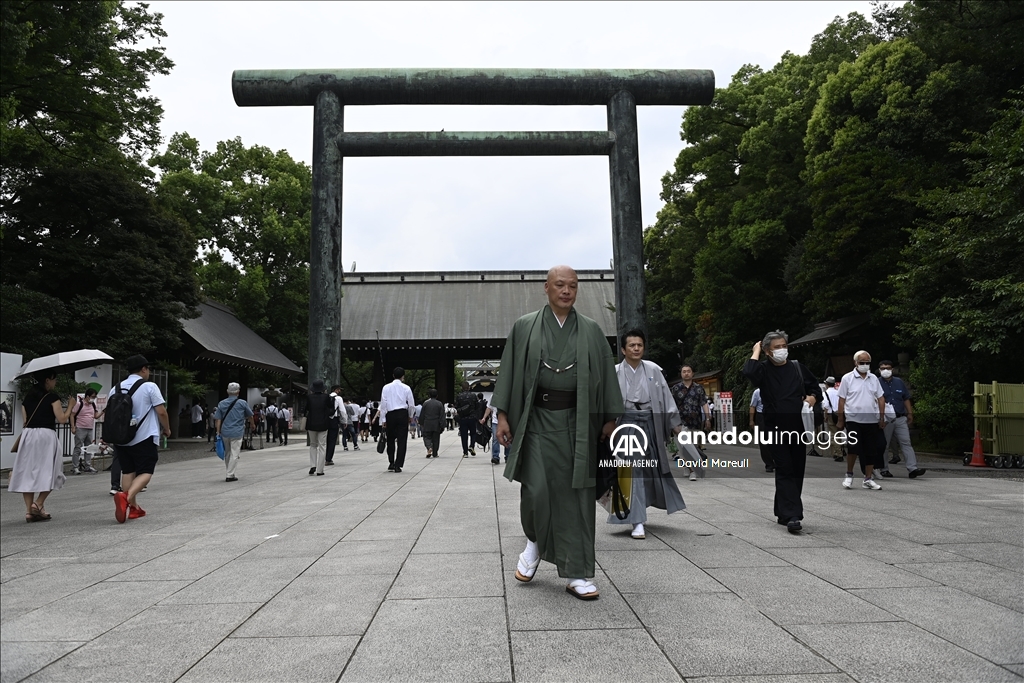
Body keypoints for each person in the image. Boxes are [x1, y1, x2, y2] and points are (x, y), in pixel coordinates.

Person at [493, 265, 623, 601]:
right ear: (546, 288)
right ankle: (534, 542)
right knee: (536, 491)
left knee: (577, 496)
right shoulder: (525, 326)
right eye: (560, 285)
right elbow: (508, 371)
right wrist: (503, 416)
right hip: (536, 420)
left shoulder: (592, 331)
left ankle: (577, 572)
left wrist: (610, 418)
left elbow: (607, 375)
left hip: (577, 423)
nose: (567, 291)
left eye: (573, 286)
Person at [742, 331, 822, 534]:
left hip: (798, 426)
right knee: (785, 468)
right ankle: (794, 515)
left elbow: (816, 389)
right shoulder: (763, 370)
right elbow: (749, 371)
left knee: (797, 468)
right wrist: (756, 350)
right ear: (768, 351)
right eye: (777, 347)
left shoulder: (797, 367)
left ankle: (783, 511)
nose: (782, 350)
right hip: (775, 427)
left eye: (784, 345)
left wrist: (812, 398)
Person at [612, 329, 686, 540]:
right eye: (632, 345)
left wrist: (675, 425)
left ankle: (639, 511)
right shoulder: (615, 371)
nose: (636, 348)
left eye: (640, 345)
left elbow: (665, 399)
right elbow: (606, 402)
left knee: (649, 471)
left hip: (650, 424)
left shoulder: (653, 369)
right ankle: (637, 521)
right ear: (624, 349)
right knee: (631, 471)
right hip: (626, 424)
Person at [108, 355, 172, 523]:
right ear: (144, 369)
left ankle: (134, 508)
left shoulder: (115, 389)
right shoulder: (150, 386)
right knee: (145, 472)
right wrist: (167, 428)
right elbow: (161, 412)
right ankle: (126, 497)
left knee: (128, 470)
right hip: (144, 437)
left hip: (121, 438)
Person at [10, 370, 76, 522]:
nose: (55, 382)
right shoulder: (52, 397)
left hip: (28, 435)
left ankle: (29, 511)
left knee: (28, 472)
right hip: (46, 436)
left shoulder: (27, 399)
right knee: (52, 470)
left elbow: (25, 421)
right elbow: (62, 419)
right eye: (54, 379)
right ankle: (38, 503)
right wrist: (70, 406)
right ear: (47, 380)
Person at [837, 351, 886, 491]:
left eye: (867, 363)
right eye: (862, 362)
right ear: (855, 363)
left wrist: (882, 417)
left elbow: (881, 398)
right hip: (853, 418)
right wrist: (841, 419)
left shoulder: (874, 378)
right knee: (853, 447)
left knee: (871, 450)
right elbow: (842, 399)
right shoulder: (848, 378)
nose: (865, 365)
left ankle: (868, 478)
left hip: (870, 419)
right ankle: (849, 474)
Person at [875, 360, 926, 478]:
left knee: (906, 442)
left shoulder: (899, 382)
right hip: (886, 419)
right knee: (884, 444)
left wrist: (910, 413)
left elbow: (906, 398)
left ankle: (913, 468)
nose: (886, 370)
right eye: (883, 368)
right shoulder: (876, 383)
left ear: (892, 369)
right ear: (879, 370)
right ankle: (884, 469)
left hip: (900, 417)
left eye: (888, 368)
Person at [670, 365, 710, 481]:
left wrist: (707, 418)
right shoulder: (676, 388)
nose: (686, 373)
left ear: (692, 374)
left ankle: (689, 467)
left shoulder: (699, 388)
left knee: (694, 447)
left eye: (688, 371)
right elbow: (671, 405)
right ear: (681, 374)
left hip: (695, 422)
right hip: (680, 423)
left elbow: (704, 403)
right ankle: (692, 470)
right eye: (684, 371)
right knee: (684, 448)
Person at [214, 382, 254, 482]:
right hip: (237, 431)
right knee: (234, 454)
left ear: (227, 391)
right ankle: (229, 474)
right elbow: (250, 416)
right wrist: (253, 424)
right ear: (238, 392)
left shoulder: (221, 403)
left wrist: (218, 431)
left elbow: (218, 419)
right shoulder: (242, 403)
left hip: (225, 432)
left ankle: (230, 472)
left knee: (227, 453)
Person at [380, 367, 415, 472]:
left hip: (390, 414)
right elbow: (411, 404)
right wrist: (410, 415)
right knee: (402, 440)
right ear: (403, 376)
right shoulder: (406, 388)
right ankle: (398, 464)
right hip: (402, 414)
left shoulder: (386, 387)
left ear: (393, 375)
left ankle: (391, 461)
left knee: (390, 438)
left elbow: (383, 404)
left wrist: (383, 419)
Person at [71, 388, 104, 474]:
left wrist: (103, 412)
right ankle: (75, 467)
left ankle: (88, 466)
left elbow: (95, 416)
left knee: (89, 448)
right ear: (87, 396)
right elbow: (72, 414)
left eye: (95, 397)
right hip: (80, 428)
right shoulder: (79, 404)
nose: (94, 398)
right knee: (78, 448)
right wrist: (73, 427)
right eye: (93, 396)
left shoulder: (93, 405)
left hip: (90, 428)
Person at [304, 380, 332, 475]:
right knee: (322, 446)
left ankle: (313, 465)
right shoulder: (326, 397)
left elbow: (306, 409)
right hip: (323, 423)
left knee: (313, 444)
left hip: (311, 423)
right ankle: (320, 470)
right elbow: (330, 408)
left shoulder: (309, 397)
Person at [748, 388, 774, 472]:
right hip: (761, 415)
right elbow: (752, 406)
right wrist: (751, 420)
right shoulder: (757, 392)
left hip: (774, 414)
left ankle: (777, 460)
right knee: (763, 441)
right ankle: (769, 463)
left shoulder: (776, 388)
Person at [822, 377, 845, 461]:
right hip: (839, 414)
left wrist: (825, 416)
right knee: (838, 433)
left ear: (827, 384)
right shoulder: (837, 392)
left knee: (833, 435)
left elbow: (826, 406)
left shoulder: (826, 393)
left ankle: (838, 453)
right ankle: (838, 451)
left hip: (831, 414)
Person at [455, 382, 479, 457]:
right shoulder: (473, 396)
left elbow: (456, 407)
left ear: (462, 388)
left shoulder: (459, 396)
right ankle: (472, 446)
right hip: (472, 417)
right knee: (473, 433)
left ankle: (465, 452)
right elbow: (477, 406)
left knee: (464, 435)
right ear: (469, 387)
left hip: (463, 418)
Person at [419, 388, 445, 458]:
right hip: (436, 423)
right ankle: (435, 453)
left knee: (427, 437)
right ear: (437, 395)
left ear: (429, 395)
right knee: (436, 439)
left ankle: (429, 447)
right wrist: (442, 425)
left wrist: (421, 422)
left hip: (427, 423)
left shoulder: (425, 403)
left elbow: (422, 414)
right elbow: (442, 415)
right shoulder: (439, 404)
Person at [326, 385, 346, 465]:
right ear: (336, 390)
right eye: (339, 390)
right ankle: (328, 458)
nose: (340, 391)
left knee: (325, 440)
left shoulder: (326, 397)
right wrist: (344, 421)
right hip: (334, 420)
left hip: (325, 420)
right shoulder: (338, 398)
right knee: (332, 440)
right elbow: (342, 411)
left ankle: (323, 457)